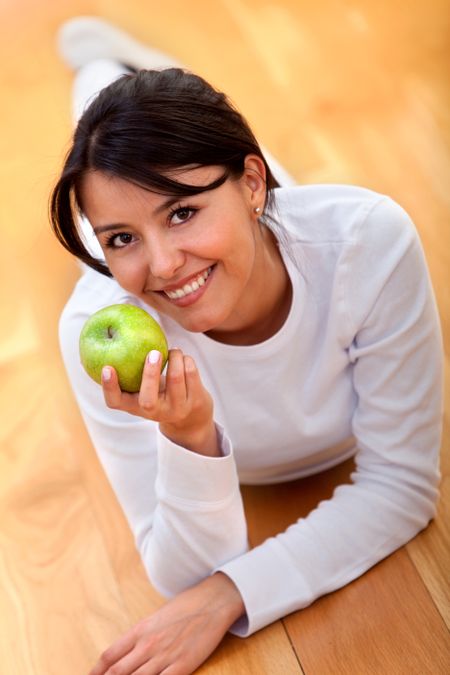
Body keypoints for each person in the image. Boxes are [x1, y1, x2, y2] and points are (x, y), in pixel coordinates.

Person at [51, 17, 443, 675]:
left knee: (146, 149)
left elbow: (402, 485)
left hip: (280, 227)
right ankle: (98, 73)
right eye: (120, 238)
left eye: (182, 211)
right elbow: (182, 571)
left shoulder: (369, 243)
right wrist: (189, 437)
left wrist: (232, 595)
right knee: (98, 128)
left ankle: (117, 69)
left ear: (252, 184)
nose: (165, 264)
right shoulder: (96, 328)